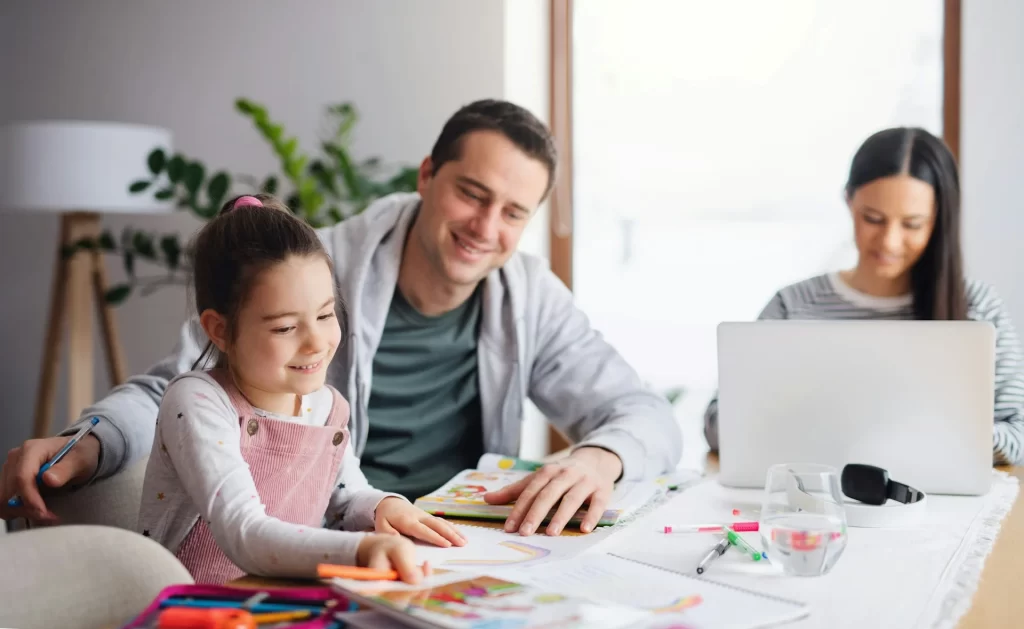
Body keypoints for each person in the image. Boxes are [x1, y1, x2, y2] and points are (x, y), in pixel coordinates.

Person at [1, 99, 682, 539]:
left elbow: (644, 412)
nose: (485, 227)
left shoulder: (529, 295)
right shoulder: (315, 269)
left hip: (447, 546)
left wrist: (602, 456)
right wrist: (89, 440)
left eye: (513, 213)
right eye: (471, 194)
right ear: (426, 176)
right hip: (322, 536)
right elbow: (174, 389)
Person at [136, 194, 462, 584]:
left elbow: (346, 498)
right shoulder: (198, 402)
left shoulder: (327, 407)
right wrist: (359, 550)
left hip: (287, 602)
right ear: (220, 330)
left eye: (326, 315)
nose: (316, 342)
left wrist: (385, 507)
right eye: (285, 328)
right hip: (195, 610)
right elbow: (243, 531)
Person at [703, 127, 1024, 466]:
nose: (889, 242)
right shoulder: (792, 307)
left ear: (939, 218)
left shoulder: (976, 306)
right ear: (848, 201)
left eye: (912, 224)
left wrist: (939, 434)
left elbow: (1018, 435)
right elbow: (716, 424)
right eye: (873, 219)